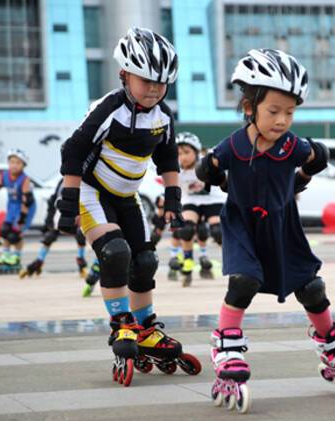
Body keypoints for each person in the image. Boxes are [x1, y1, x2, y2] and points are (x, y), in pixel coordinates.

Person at [196, 49, 335, 414]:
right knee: (244, 281)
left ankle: (333, 348)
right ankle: (227, 348)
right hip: (243, 226)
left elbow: (319, 157)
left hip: (283, 226)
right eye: (273, 111)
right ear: (250, 107)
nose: (282, 121)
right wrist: (214, 175)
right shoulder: (234, 146)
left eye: (290, 112)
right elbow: (208, 169)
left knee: (311, 287)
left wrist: (304, 176)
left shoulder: (292, 146)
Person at [56, 27, 200, 386]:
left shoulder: (163, 115)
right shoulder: (110, 109)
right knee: (116, 252)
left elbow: (167, 158)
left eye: (161, 83)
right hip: (92, 192)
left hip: (126, 197)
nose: (154, 89)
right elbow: (72, 151)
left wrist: (173, 200)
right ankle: (122, 326)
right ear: (124, 74)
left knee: (146, 261)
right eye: (146, 80)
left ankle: (146, 328)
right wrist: (69, 202)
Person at [175, 131, 225, 285]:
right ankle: (188, 260)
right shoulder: (176, 169)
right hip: (191, 201)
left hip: (213, 200)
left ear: (196, 152)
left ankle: (233, 262)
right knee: (187, 229)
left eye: (187, 152)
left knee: (218, 232)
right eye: (179, 153)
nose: (182, 157)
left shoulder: (206, 163)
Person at [19, 178, 89, 279]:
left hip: (78, 211)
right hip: (60, 212)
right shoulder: (62, 180)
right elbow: (53, 199)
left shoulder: (85, 179)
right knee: (50, 236)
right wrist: (48, 219)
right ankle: (39, 260)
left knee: (80, 235)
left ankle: (81, 262)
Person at [0, 149, 36, 274]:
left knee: (15, 234)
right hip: (12, 206)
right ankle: (6, 255)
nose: (14, 165)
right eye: (12, 162)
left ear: (23, 165)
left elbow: (27, 200)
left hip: (26, 207)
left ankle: (16, 257)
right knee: (4, 230)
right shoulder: (4, 175)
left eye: (18, 163)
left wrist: (22, 219)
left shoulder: (25, 179)